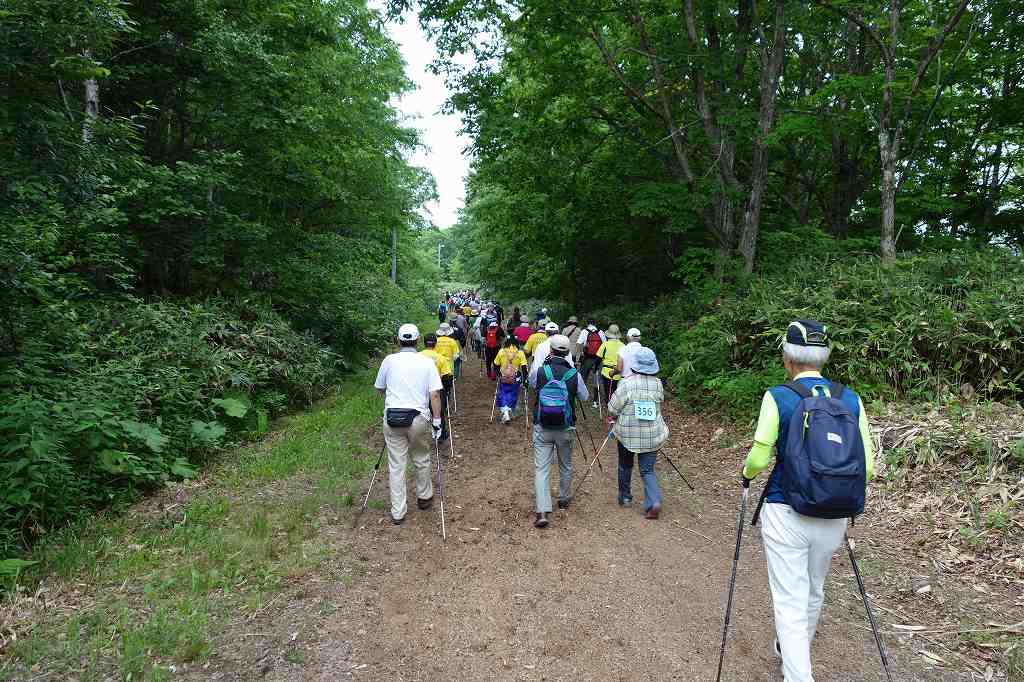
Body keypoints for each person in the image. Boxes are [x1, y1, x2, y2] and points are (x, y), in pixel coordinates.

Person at [741, 320, 874, 682]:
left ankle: (797, 674)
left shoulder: (779, 396)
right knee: (814, 587)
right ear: (824, 357)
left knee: (789, 598)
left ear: (787, 357)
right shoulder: (850, 398)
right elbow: (870, 466)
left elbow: (758, 456)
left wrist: (747, 475)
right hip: (834, 512)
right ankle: (791, 648)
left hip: (786, 507)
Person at [374, 324, 443, 525]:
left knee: (396, 465)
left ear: (398, 340)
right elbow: (435, 394)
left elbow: (379, 388)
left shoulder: (389, 360)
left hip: (392, 418)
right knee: (421, 457)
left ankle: (398, 511)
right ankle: (424, 497)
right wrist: (437, 420)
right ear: (418, 340)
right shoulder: (426, 362)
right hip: (418, 418)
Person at [529, 335, 588, 528]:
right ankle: (563, 498)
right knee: (566, 464)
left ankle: (542, 511)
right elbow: (584, 396)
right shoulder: (574, 374)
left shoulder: (540, 371)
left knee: (541, 468)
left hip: (542, 426)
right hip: (565, 426)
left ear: (551, 351)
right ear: (568, 352)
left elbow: (531, 385)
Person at [607, 347, 669, 519]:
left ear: (634, 365)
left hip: (627, 433)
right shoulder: (658, 384)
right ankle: (653, 501)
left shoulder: (626, 383)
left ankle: (625, 497)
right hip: (653, 434)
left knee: (625, 465)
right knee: (647, 470)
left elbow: (612, 408)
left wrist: (614, 415)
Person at [420, 334, 454, 441]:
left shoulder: (417, 356)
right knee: (439, 411)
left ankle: (421, 433)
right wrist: (447, 389)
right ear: (435, 344)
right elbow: (447, 377)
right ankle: (441, 433)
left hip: (420, 389)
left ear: (424, 343)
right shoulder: (441, 358)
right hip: (437, 388)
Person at [528, 321, 575, 387]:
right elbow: (571, 365)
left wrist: (534, 384)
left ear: (546, 333)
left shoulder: (541, 346)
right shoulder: (564, 345)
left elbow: (536, 367)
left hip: (545, 383)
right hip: (564, 382)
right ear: (558, 332)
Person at [494, 337, 528, 424]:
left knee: (503, 393)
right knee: (513, 394)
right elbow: (524, 368)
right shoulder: (520, 353)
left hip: (503, 377)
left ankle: (505, 411)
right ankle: (509, 411)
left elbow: (496, 364)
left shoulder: (501, 351)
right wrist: (525, 380)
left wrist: (498, 375)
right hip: (515, 377)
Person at [576, 319, 606, 404]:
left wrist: (579, 355)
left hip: (587, 357)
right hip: (598, 359)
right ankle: (595, 400)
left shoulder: (585, 331)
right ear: (595, 323)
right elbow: (605, 345)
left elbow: (578, 344)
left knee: (583, 376)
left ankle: (581, 396)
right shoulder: (600, 332)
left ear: (587, 324)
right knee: (597, 378)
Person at [596, 324, 625, 407]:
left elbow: (598, 358)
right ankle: (615, 405)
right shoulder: (623, 345)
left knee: (608, 389)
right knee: (616, 390)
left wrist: (596, 368)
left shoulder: (605, 344)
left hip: (607, 372)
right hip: (619, 372)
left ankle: (609, 405)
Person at [435, 324, 461, 391]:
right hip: (448, 367)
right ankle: (447, 394)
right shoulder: (452, 341)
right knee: (447, 385)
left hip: (438, 366)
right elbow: (456, 355)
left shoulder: (436, 341)